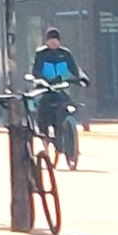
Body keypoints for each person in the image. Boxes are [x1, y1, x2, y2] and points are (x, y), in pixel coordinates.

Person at [29, 28, 88, 167]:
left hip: (61, 88)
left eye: (56, 39)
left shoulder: (65, 54)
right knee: (44, 112)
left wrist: (82, 78)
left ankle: (68, 138)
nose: (53, 42)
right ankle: (45, 144)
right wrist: (42, 81)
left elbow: (75, 69)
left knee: (66, 106)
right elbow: (36, 72)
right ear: (46, 41)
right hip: (45, 89)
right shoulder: (41, 54)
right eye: (51, 39)